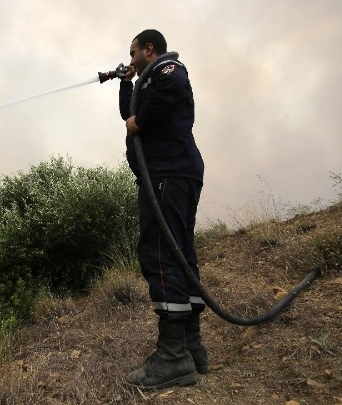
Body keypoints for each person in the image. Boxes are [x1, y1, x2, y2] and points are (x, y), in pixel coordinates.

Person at [118, 29, 208, 390]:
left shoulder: (169, 70)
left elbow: (149, 110)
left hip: (168, 173)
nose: (131, 59)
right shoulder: (147, 82)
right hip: (172, 173)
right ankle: (191, 347)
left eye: (133, 52)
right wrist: (126, 85)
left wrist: (139, 121)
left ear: (149, 49)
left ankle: (172, 359)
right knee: (180, 253)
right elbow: (130, 115)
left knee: (159, 254)